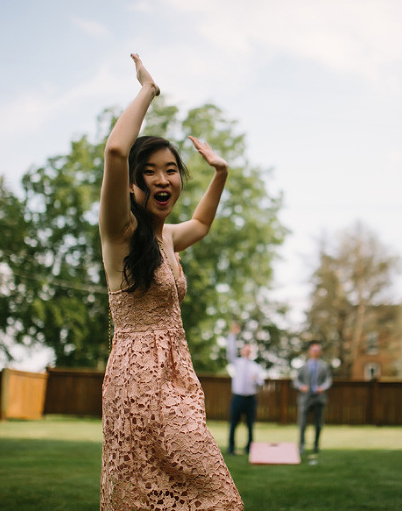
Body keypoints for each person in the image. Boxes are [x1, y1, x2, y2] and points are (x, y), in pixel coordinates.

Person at [98, 53, 243, 510]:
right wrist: (147, 89)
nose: (163, 179)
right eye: (150, 171)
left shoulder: (168, 239)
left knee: (189, 490)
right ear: (131, 185)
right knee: (205, 491)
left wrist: (220, 174)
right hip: (138, 383)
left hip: (175, 378)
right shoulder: (120, 233)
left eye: (171, 169)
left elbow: (200, 223)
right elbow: (116, 151)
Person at [226, 322, 264, 455]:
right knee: (233, 424)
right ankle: (231, 448)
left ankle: (250, 448)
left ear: (251, 352)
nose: (247, 352)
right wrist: (232, 335)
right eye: (245, 350)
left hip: (251, 399)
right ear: (242, 351)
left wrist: (257, 380)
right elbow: (230, 351)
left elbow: (261, 382)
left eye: (249, 350)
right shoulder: (237, 363)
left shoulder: (256, 367)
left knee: (250, 425)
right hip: (238, 397)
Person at [293, 341, 332, 455]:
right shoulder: (303, 367)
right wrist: (301, 387)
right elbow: (296, 381)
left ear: (320, 352)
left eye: (317, 350)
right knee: (302, 424)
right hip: (305, 398)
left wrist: (323, 387)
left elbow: (328, 380)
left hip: (319, 398)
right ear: (310, 352)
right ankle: (301, 446)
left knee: (318, 424)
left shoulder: (324, 366)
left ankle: (316, 445)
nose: (315, 352)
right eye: (313, 350)